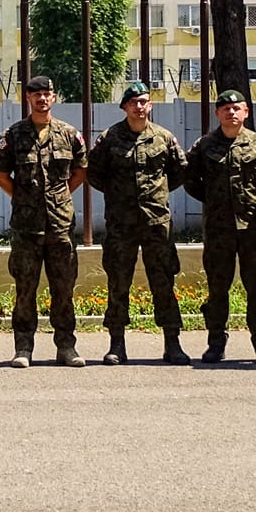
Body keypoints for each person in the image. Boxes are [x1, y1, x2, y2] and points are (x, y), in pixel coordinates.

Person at [88, 81, 189, 366]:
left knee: (164, 282)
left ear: (150, 105)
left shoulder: (164, 138)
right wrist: (118, 196)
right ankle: (117, 344)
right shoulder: (109, 138)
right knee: (118, 283)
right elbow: (94, 173)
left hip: (156, 223)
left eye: (143, 101)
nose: (139, 106)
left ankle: (172, 343)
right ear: (124, 107)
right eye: (133, 102)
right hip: (121, 224)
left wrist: (156, 195)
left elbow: (179, 172)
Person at [0, 74, 89, 367]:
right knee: (25, 289)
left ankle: (66, 347)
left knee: (63, 289)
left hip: (60, 226)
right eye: (36, 94)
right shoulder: (11, 136)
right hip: (26, 228)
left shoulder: (69, 134)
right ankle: (23, 348)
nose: (42, 99)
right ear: (28, 98)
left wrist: (60, 196)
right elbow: (1, 176)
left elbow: (80, 171)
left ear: (54, 97)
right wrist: (23, 198)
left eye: (47, 94)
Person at [183, 88, 256, 364]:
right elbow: (190, 180)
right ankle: (216, 344)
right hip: (218, 230)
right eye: (226, 108)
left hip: (253, 230)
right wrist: (214, 201)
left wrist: (254, 202)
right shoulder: (204, 146)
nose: (231, 112)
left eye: (237, 108)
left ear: (246, 112)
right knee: (217, 289)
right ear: (217, 113)